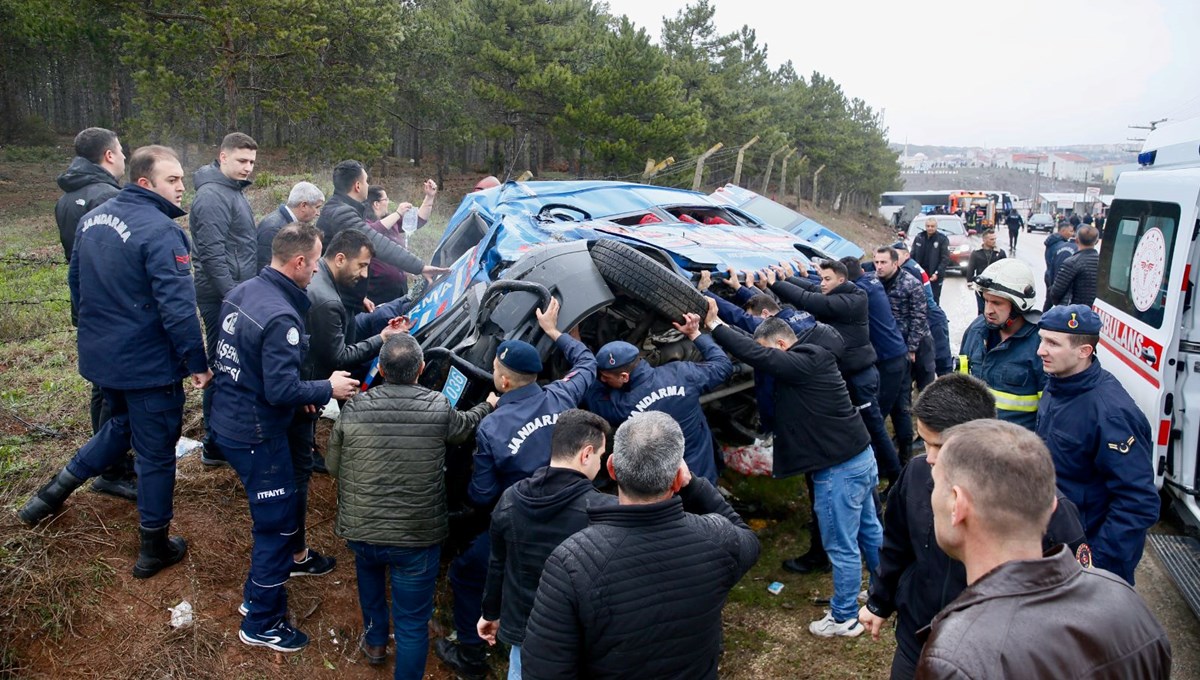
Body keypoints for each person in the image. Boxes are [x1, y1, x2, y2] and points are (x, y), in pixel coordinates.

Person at [18, 145, 210, 582]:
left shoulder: (92, 220)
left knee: (119, 425)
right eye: (172, 180)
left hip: (104, 355)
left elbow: (76, 285)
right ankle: (153, 546)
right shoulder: (162, 232)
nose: (182, 187)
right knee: (157, 452)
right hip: (147, 364)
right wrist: (196, 362)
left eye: (182, 178)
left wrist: (93, 336)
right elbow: (178, 308)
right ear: (145, 183)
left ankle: (49, 496)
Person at [859, 375, 1087, 680]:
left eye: (938, 446)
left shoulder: (1038, 505)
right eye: (924, 443)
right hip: (919, 635)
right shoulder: (916, 475)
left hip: (995, 657)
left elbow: (1070, 594)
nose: (929, 458)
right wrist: (879, 601)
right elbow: (896, 544)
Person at [916, 419, 1171, 679]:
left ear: (957, 505)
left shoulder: (956, 659)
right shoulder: (1127, 602)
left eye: (936, 484)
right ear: (1051, 505)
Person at [208, 222, 361, 652]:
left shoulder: (242, 292)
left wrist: (300, 395)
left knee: (284, 504)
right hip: (256, 430)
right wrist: (324, 388)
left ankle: (276, 577)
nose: (315, 274)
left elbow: (229, 357)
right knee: (273, 524)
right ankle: (262, 621)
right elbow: (279, 390)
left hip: (231, 417)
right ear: (298, 263)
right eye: (314, 267)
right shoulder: (281, 316)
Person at [521, 412, 759, 679]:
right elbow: (747, 539)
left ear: (611, 468)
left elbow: (544, 669)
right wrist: (695, 487)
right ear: (678, 479)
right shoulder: (717, 539)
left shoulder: (571, 562)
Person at [436, 298, 596, 678]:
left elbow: (482, 495)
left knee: (466, 572)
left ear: (503, 381)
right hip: (577, 515)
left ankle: (472, 657)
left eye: (494, 368)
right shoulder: (562, 394)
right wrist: (555, 331)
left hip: (521, 520)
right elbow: (587, 362)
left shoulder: (492, 426)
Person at [327, 334, 496, 677]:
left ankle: (375, 643)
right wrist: (488, 405)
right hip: (417, 537)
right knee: (412, 622)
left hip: (363, 529)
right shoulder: (436, 406)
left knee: (371, 583)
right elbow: (464, 429)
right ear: (421, 369)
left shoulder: (356, 406)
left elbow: (332, 465)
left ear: (382, 369)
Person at [708, 304, 880, 637]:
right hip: (858, 457)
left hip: (838, 470)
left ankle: (844, 617)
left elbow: (760, 357)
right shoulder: (813, 357)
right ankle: (880, 589)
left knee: (841, 545)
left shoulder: (805, 360)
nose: (766, 362)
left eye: (768, 353)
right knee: (869, 530)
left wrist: (714, 323)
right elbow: (758, 348)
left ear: (782, 345)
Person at [478, 409, 616, 679]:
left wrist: (490, 613)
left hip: (526, 636)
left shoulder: (510, 500)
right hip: (581, 640)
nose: (600, 465)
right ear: (586, 454)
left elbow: (497, 565)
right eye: (600, 456)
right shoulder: (604, 511)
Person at [1037, 305, 1160, 585]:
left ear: (1084, 351)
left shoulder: (1110, 413)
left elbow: (1137, 502)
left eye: (1052, 343)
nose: (1040, 351)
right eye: (1042, 339)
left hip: (1087, 559)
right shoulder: (1057, 383)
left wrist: (1097, 566)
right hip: (1056, 542)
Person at [54, 126, 136, 501]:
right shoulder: (108, 197)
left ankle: (106, 459)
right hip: (112, 309)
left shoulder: (66, 199)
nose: (123, 158)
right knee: (114, 395)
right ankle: (111, 467)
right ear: (108, 155)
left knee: (101, 388)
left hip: (86, 307)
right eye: (120, 152)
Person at [770, 259, 900, 486]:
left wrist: (773, 283)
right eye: (821, 278)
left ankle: (895, 477)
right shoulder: (840, 293)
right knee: (864, 428)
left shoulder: (852, 300)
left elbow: (808, 299)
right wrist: (785, 277)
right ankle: (873, 474)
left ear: (841, 280)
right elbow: (810, 289)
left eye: (827, 279)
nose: (822, 283)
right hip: (852, 375)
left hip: (860, 377)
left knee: (874, 428)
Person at [585, 314, 732, 484]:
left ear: (625, 376)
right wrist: (695, 334)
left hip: (663, 487)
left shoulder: (623, 407)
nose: (603, 380)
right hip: (703, 475)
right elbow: (723, 366)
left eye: (605, 377)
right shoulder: (682, 374)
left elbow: (592, 394)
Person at [192, 132, 259, 468]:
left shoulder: (230, 191)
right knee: (223, 365)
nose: (247, 168)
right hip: (222, 297)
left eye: (251, 162)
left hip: (233, 293)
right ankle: (213, 444)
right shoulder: (212, 196)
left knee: (233, 364)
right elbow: (212, 254)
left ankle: (225, 435)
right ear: (222, 156)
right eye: (242, 161)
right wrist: (234, 297)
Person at [315, 160, 447, 285]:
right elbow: (374, 240)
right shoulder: (341, 213)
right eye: (366, 181)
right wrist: (420, 267)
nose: (368, 185)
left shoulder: (342, 209)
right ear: (357, 186)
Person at [957, 259, 1044, 430]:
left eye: (997, 303)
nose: (988, 310)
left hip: (1017, 447)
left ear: (1019, 305)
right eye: (986, 301)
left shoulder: (1041, 344)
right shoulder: (976, 330)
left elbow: (1051, 411)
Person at [873, 246, 928, 464]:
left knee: (899, 407)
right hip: (882, 353)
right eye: (876, 262)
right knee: (895, 406)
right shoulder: (874, 282)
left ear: (895, 264)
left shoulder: (910, 284)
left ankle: (902, 458)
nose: (878, 266)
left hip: (902, 353)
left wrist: (911, 349)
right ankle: (893, 460)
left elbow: (919, 318)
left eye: (883, 263)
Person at [363, 180, 438, 303]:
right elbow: (372, 232)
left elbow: (418, 220)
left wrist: (429, 197)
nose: (388, 202)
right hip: (377, 293)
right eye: (386, 199)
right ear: (376, 204)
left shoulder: (390, 222)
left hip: (399, 288)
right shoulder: (365, 224)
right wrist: (398, 213)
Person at [256, 181, 325, 270]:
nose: (318, 213)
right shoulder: (273, 229)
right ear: (303, 205)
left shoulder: (286, 225)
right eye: (317, 207)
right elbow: (264, 268)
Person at [1046, 224, 1100, 307]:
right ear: (1096, 242)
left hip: (1073, 313)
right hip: (1093, 312)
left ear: (1077, 240)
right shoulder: (1102, 264)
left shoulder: (1071, 262)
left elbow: (1056, 292)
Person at [962, 229, 1006, 315]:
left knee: (994, 310)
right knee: (982, 309)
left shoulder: (1000, 253)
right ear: (984, 240)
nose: (994, 241)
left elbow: (1006, 268)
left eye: (995, 239)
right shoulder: (976, 253)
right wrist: (969, 281)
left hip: (996, 286)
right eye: (991, 239)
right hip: (980, 286)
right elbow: (971, 267)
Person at [909, 217, 950, 304]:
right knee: (919, 298)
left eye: (932, 226)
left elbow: (945, 258)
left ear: (936, 227)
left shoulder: (942, 239)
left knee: (934, 299)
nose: (930, 228)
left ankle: (935, 317)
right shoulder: (919, 237)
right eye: (928, 226)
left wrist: (937, 273)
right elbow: (912, 255)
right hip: (920, 273)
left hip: (934, 275)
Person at [1042, 219, 1076, 294]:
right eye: (1070, 231)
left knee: (1049, 300)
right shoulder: (1060, 245)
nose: (1072, 234)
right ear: (1063, 231)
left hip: (1049, 274)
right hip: (1054, 276)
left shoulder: (1053, 241)